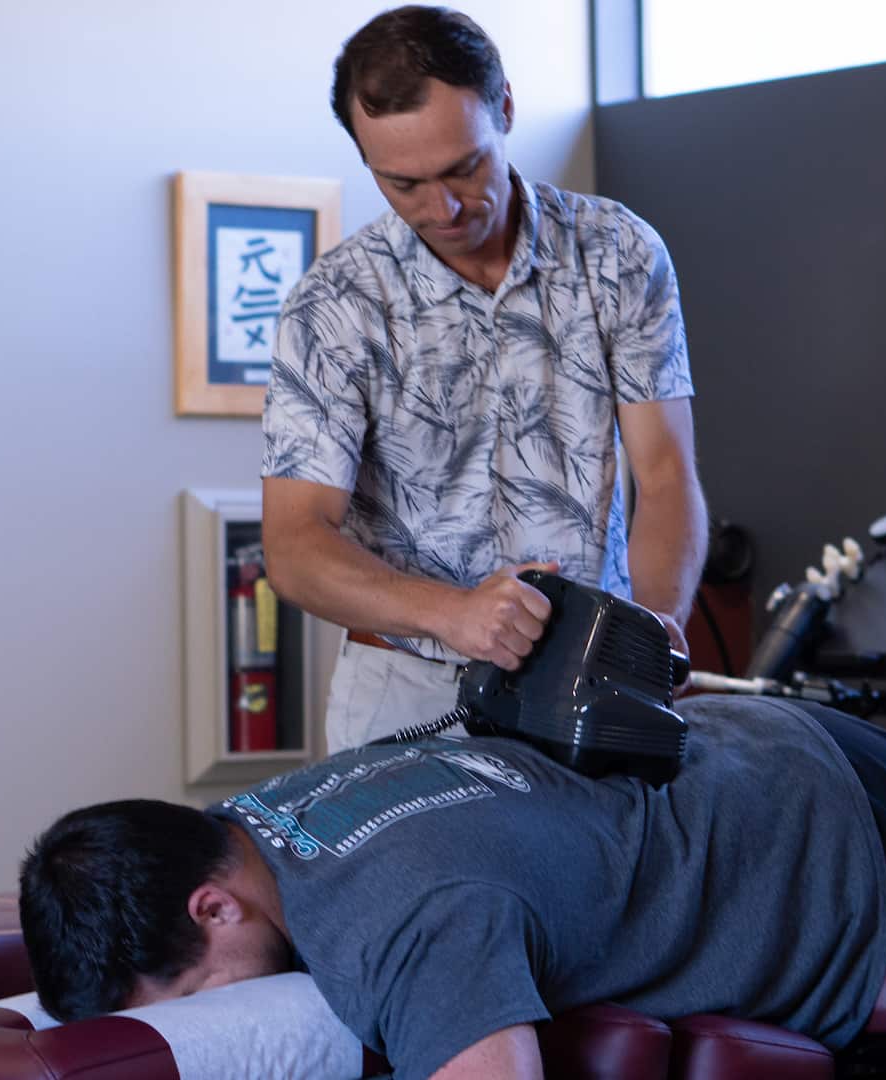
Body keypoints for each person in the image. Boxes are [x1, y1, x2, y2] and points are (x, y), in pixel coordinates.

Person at [19, 695, 886, 1079]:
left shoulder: (392, 919)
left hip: (803, 821)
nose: (218, 1017)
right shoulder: (277, 808)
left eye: (189, 1003)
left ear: (215, 908)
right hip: (723, 757)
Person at [258, 5, 706, 751]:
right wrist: (454, 613)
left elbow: (664, 473)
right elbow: (296, 544)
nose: (445, 208)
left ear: (504, 106)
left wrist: (656, 626)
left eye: (464, 166)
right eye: (403, 184)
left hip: (593, 680)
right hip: (406, 691)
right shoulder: (332, 304)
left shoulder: (619, 252)